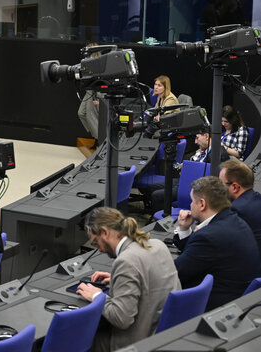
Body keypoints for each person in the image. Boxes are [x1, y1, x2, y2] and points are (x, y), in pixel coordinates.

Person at [76, 207, 180, 352]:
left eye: (96, 242)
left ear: (105, 232)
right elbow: (150, 280)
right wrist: (118, 279)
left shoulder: (126, 261)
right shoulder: (157, 244)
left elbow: (122, 319)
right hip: (163, 337)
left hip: (135, 344)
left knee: (77, 339)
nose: (99, 249)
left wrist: (96, 296)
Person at [173, 176, 261, 310]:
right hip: (240, 299)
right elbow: (197, 256)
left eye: (192, 201)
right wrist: (184, 229)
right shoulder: (234, 220)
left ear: (202, 204)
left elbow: (175, 273)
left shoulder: (209, 236)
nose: (190, 205)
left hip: (216, 306)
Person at [147, 131, 227, 214]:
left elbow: (211, 179)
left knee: (156, 195)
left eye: (197, 138)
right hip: (185, 180)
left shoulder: (218, 155)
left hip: (193, 187)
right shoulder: (207, 150)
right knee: (151, 187)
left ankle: (164, 219)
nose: (195, 142)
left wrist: (189, 169)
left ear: (207, 136)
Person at [220, 158, 261, 255]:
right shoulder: (257, 198)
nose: (218, 188)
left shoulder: (237, 210)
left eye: (221, 183)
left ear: (235, 187)